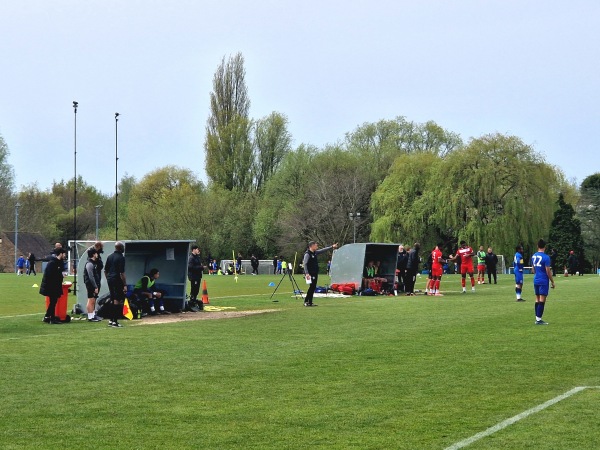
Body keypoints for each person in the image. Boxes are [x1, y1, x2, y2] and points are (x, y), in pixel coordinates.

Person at [302, 241, 338, 307]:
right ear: (312, 246)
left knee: (313, 287)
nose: (317, 246)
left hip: (315, 273)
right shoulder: (307, 254)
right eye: (316, 245)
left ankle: (310, 302)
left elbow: (323, 250)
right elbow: (305, 264)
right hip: (310, 274)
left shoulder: (315, 253)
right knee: (311, 287)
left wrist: (331, 247)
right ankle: (306, 301)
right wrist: (307, 273)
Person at [40, 247, 67, 324]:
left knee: (53, 302)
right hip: (51, 286)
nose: (64, 255)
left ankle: (47, 316)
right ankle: (52, 318)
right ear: (61, 254)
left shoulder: (59, 262)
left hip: (56, 285)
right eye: (64, 253)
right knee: (53, 302)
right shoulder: (52, 263)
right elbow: (49, 275)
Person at [531, 239, 555, 325]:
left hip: (536, 279)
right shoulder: (546, 257)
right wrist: (552, 281)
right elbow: (548, 271)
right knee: (542, 299)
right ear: (545, 247)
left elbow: (533, 269)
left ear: (538, 246)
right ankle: (538, 319)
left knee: (537, 298)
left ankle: (537, 317)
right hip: (543, 280)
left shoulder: (533, 256)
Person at [104, 241, 127, 328]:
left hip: (110, 279)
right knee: (117, 300)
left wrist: (108, 279)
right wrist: (125, 284)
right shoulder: (121, 257)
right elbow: (122, 273)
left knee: (112, 299)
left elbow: (105, 270)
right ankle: (115, 321)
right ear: (121, 248)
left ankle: (111, 320)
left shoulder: (110, 257)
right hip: (117, 280)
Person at [83, 248, 102, 322]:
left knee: (93, 300)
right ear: (94, 254)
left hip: (92, 284)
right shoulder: (89, 264)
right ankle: (90, 316)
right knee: (90, 300)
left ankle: (93, 315)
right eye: (96, 253)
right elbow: (91, 276)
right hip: (90, 285)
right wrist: (95, 286)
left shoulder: (92, 263)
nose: (97, 255)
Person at [187, 245, 204, 311]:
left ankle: (194, 301)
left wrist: (201, 267)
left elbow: (198, 265)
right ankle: (192, 302)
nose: (198, 250)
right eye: (197, 249)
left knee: (196, 290)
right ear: (193, 250)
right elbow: (190, 267)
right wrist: (200, 267)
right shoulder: (191, 258)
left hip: (198, 276)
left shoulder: (197, 257)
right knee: (194, 289)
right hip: (194, 276)